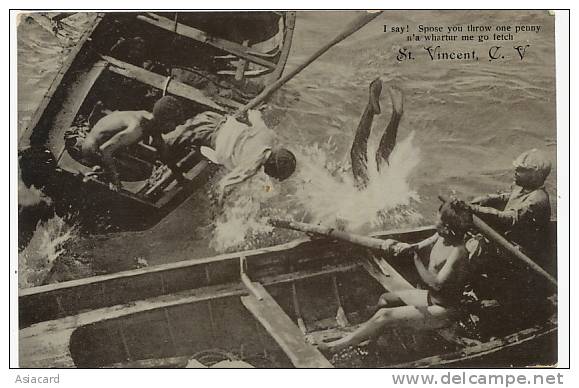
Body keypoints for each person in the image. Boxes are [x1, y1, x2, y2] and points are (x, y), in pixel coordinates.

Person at [318, 201, 473, 353]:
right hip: (431, 298)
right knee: (385, 299)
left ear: (446, 227)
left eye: (437, 218)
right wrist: (405, 246)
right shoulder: (441, 236)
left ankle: (335, 347)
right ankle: (370, 338)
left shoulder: (458, 252)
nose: (434, 220)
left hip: (445, 310)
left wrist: (416, 260)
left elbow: (436, 283)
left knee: (385, 315)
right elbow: (421, 244)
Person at [165, 109, 296, 201]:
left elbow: (254, 114)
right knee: (165, 147)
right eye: (274, 175)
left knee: (173, 133)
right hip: (205, 135)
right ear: (270, 168)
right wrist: (218, 207)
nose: (271, 176)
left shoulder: (266, 135)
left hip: (214, 118)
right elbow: (224, 185)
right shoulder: (251, 168)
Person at [73, 96, 184, 191]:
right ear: (163, 121)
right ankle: (102, 173)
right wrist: (114, 180)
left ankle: (103, 169)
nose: (174, 128)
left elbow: (163, 150)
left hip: (103, 145)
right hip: (91, 150)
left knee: (146, 162)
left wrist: (180, 177)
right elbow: (105, 150)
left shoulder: (149, 119)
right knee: (144, 171)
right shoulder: (136, 128)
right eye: (174, 124)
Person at [468, 148, 552, 260]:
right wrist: (486, 199)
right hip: (507, 242)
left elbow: (508, 218)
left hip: (520, 253)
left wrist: (474, 209)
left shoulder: (538, 200)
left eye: (522, 169)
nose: (516, 171)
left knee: (474, 247)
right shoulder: (522, 188)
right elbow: (506, 197)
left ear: (536, 175)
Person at [350, 78, 404, 189]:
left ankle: (391, 114)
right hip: (381, 198)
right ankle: (395, 115)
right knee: (375, 157)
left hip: (374, 199)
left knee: (378, 157)